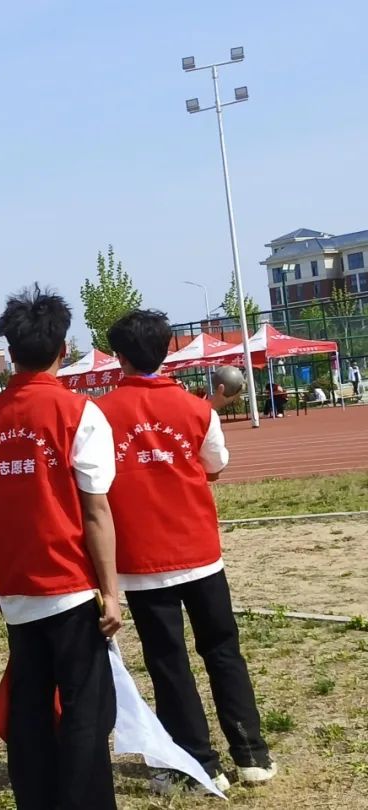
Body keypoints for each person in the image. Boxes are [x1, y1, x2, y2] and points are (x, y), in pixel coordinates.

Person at [100, 309, 275, 794]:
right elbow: (216, 462)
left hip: (141, 561)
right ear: (166, 351)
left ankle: (198, 763)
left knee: (168, 662)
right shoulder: (198, 410)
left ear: (119, 356)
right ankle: (252, 755)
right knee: (223, 651)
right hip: (200, 553)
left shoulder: (100, 414)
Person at [0, 286, 121, 810]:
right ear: (63, 348)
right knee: (84, 710)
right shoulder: (78, 413)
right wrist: (111, 592)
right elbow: (96, 511)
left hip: (17, 590)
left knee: (29, 709)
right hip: (70, 587)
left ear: (10, 350)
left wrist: (1, 575)